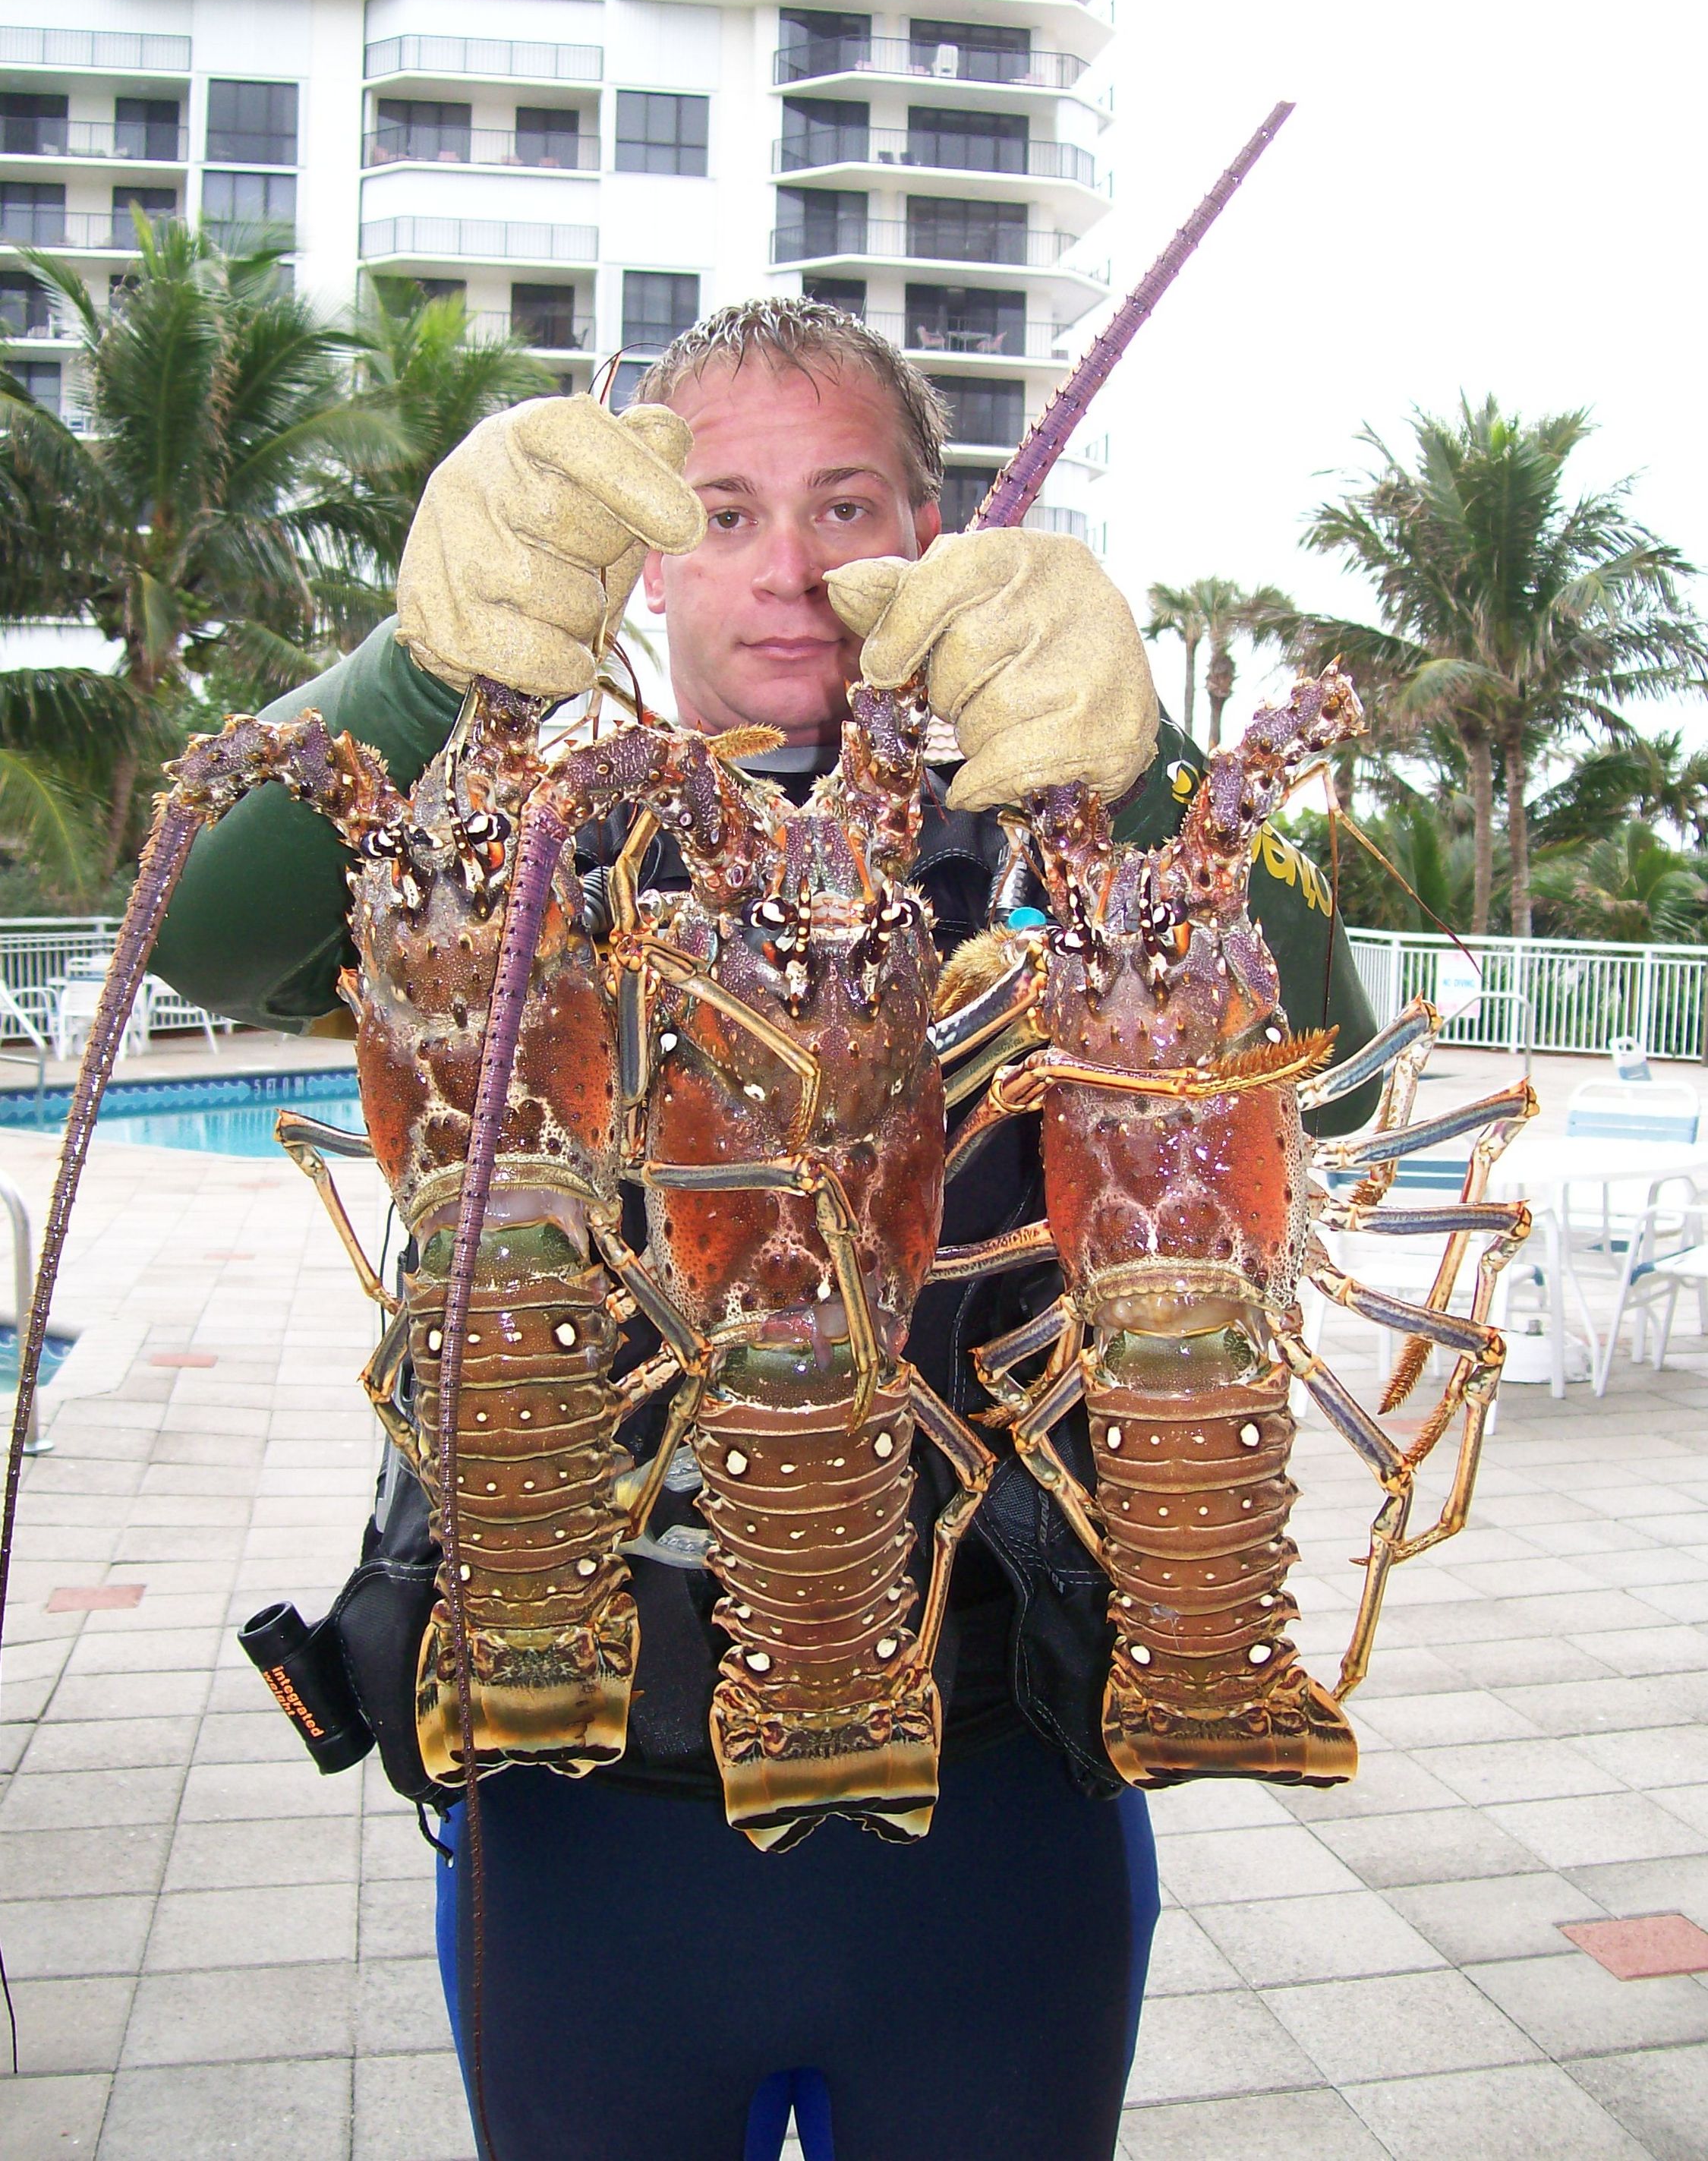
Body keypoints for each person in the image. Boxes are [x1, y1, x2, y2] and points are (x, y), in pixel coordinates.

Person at [151, 300, 1380, 2161]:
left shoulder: (1058, 858)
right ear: (640, 556)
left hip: (1000, 1806)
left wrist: (1130, 758)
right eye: (719, 510)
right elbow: (205, 934)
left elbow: (1337, 1072)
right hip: (591, 1803)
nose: (791, 568)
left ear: (933, 537)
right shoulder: (539, 853)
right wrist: (426, 662)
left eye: (850, 506)